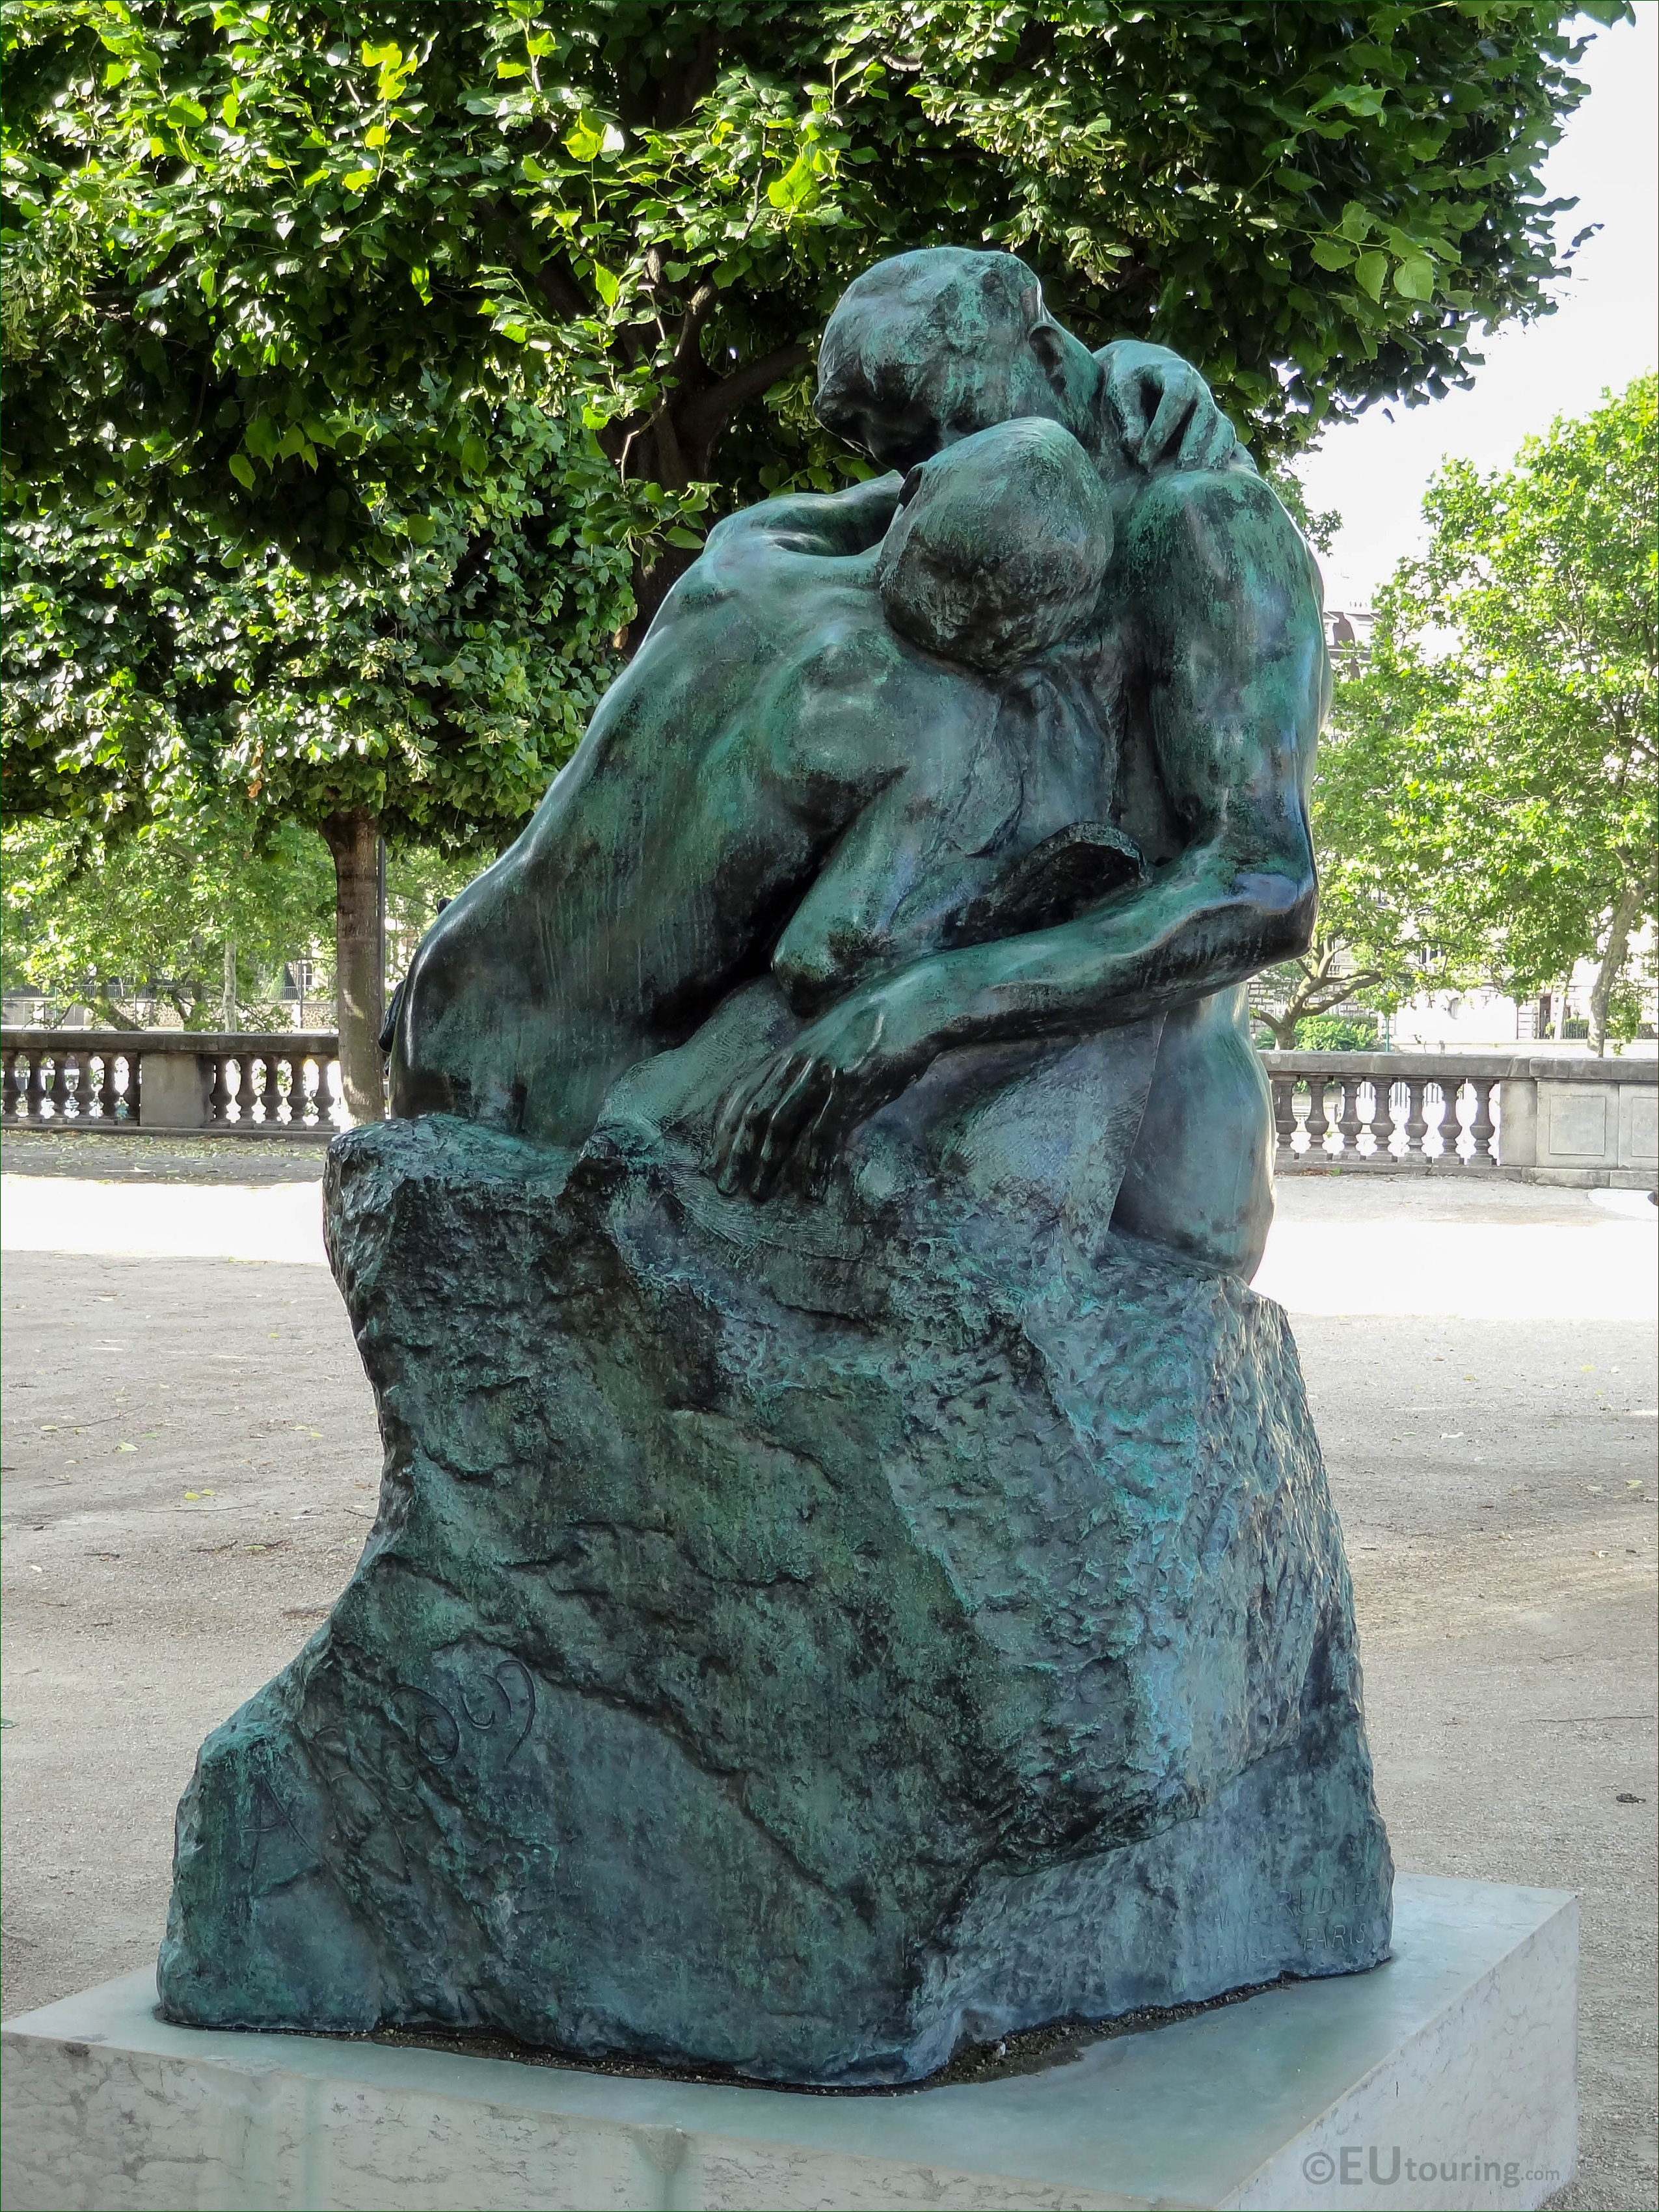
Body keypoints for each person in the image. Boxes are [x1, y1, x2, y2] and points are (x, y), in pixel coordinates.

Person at [711, 249, 1328, 1278]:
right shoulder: (974, 498)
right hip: (925, 1107)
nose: (907, 470)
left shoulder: (1202, 525)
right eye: (871, 442)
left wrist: (925, 1007)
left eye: (931, 424)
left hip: (1140, 1163)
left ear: (1045, 357)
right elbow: (747, 559)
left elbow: (1263, 883)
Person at [385, 415, 1132, 1144]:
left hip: (456, 980)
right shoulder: (943, 728)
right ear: (1033, 633)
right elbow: (819, 957)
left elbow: (881, 496)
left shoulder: (742, 556)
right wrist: (1002, 913)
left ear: (917, 498)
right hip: (582, 1085)